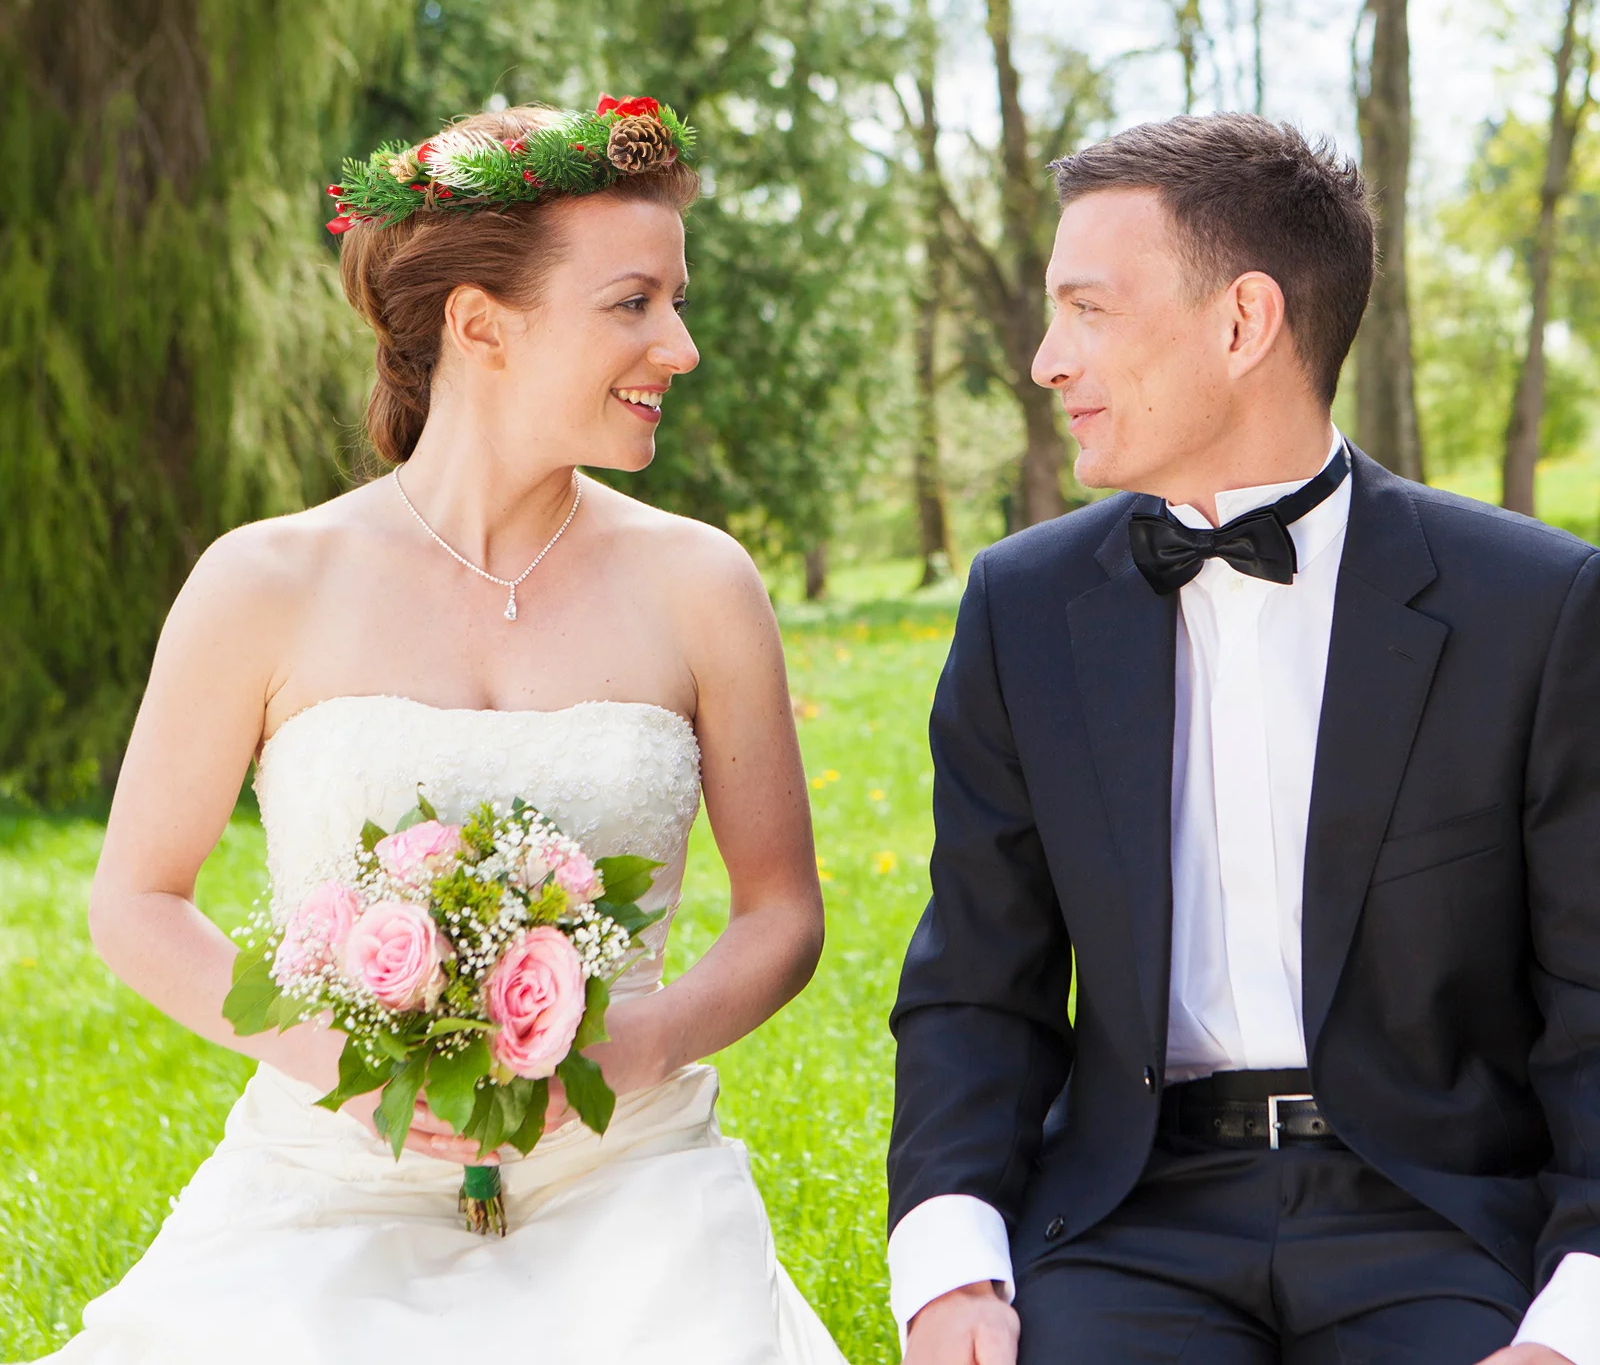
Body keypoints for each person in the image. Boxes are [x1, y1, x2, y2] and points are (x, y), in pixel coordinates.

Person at [30, 99, 847, 1364]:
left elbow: (781, 913)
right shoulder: (264, 582)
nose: (679, 347)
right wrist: (344, 1063)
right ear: (480, 324)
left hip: (627, 1179)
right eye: (633, 303)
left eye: (676, 301)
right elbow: (136, 901)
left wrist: (638, 1043)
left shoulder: (702, 585)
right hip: (326, 1184)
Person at [887, 113, 1600, 1365]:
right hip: (1130, 1215)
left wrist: (1572, 1322)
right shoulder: (1022, 607)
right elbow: (976, 985)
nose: (1047, 360)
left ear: (1242, 322)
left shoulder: (1533, 607)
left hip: (1437, 1215)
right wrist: (949, 1267)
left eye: (1087, 310)